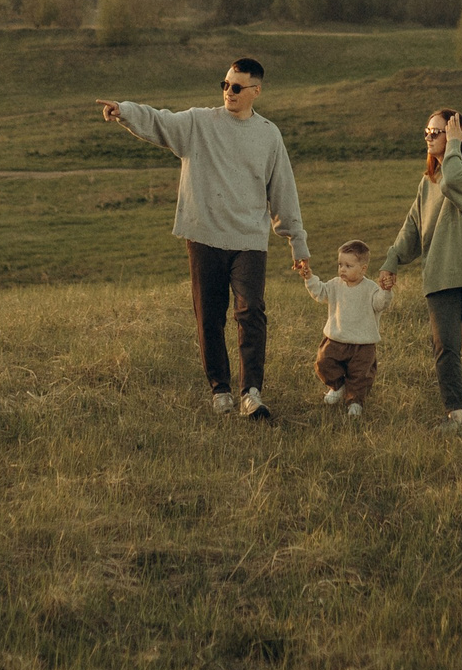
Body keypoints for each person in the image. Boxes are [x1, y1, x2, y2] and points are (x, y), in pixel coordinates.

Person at [98, 57, 309, 418]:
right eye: (225, 85)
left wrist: (297, 242)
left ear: (256, 91)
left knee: (251, 312)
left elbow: (283, 192)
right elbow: (159, 121)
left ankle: (251, 393)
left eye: (238, 87)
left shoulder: (269, 135)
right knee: (209, 316)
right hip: (205, 234)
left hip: (249, 240)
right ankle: (221, 390)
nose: (229, 92)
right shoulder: (199, 123)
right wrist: (125, 111)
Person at [377, 108, 462, 429]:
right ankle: (455, 414)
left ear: (457, 136)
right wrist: (392, 261)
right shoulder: (428, 181)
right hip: (440, 276)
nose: (429, 137)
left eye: (438, 132)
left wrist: (454, 149)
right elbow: (413, 227)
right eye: (427, 132)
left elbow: (453, 184)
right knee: (444, 346)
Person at [301, 239, 389, 417]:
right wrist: (309, 277)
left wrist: (385, 290)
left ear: (363, 269)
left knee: (360, 375)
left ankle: (355, 402)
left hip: (362, 344)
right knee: (323, 362)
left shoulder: (370, 288)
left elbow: (380, 304)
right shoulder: (334, 284)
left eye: (348, 266)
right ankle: (338, 387)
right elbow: (320, 292)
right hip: (335, 339)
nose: (342, 269)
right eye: (340, 264)